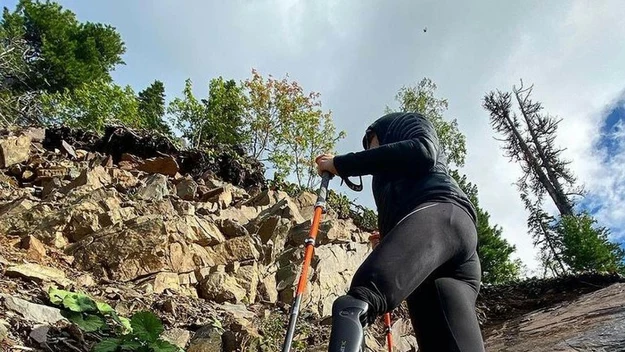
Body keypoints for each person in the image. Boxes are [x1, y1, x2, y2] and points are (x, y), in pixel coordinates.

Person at [315, 112, 486, 352]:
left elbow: (423, 151)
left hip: (443, 217)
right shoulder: (387, 182)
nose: (370, 153)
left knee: (360, 299)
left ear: (374, 134)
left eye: (370, 146)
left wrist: (341, 163)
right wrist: (389, 238)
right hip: (447, 248)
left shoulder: (406, 122)